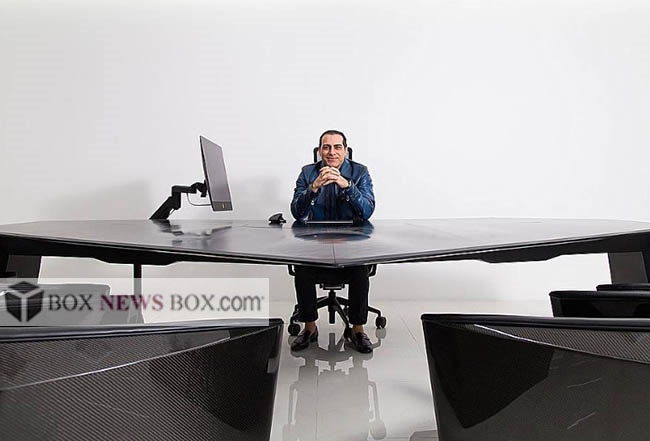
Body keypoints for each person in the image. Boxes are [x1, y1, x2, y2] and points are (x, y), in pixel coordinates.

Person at [290, 129, 376, 353]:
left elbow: (367, 211)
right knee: (302, 268)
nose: (332, 152)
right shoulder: (307, 172)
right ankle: (309, 328)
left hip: (351, 245)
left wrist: (347, 185)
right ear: (319, 151)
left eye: (337, 147)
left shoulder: (360, 172)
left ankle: (357, 329)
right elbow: (297, 213)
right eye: (326, 147)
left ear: (345, 150)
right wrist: (314, 187)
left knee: (360, 270)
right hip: (316, 245)